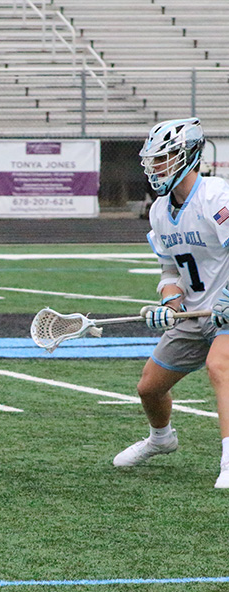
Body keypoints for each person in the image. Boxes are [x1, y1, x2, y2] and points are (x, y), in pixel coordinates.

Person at [114, 117, 229, 489]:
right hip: (197, 312)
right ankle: (161, 439)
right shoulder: (160, 211)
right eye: (154, 160)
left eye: (165, 158)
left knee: (220, 366)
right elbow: (170, 271)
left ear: (190, 155)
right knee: (149, 387)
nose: (156, 167)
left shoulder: (217, 197)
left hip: (226, 309)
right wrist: (170, 304)